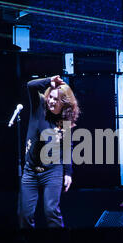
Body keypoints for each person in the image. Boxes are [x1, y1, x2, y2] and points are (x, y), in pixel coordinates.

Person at [18, 75, 79, 228]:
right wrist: (49, 81)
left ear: (64, 103)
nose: (51, 101)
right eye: (50, 97)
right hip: (30, 171)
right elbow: (31, 85)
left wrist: (68, 173)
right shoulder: (39, 106)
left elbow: (67, 147)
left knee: (51, 211)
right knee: (25, 214)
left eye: (56, 100)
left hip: (52, 171)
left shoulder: (64, 121)